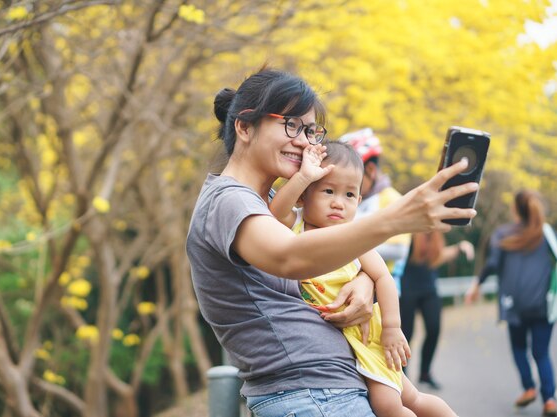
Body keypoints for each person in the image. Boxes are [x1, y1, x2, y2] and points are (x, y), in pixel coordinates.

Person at [186, 67, 478, 417]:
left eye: (309, 130)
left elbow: (323, 253)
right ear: (244, 126)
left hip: (335, 388)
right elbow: (289, 257)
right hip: (310, 396)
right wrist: (397, 218)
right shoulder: (228, 200)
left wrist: (364, 279)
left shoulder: (272, 202)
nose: (304, 141)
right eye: (290, 125)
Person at [269, 140, 457, 417]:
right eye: (328, 191)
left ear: (358, 201)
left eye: (349, 195)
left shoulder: (353, 238)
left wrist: (393, 328)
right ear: (303, 196)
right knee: (410, 397)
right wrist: (304, 176)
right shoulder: (295, 225)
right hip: (343, 343)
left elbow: (384, 277)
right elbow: (275, 212)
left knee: (394, 404)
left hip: (369, 337)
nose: (338, 203)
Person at [465, 189, 557, 416]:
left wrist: (477, 285)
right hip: (543, 303)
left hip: (514, 304)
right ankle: (549, 400)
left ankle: (528, 388)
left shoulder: (503, 234)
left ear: (516, 208)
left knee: (518, 347)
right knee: (541, 352)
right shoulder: (546, 234)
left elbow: (492, 264)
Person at [400, 231, 474, 390]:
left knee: (434, 328)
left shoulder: (436, 235)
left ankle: (425, 373)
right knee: (406, 334)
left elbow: (439, 256)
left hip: (429, 289)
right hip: (408, 288)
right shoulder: (411, 234)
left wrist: (459, 247)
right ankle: (402, 376)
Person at [340, 129, 411, 292]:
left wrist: (343, 243)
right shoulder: (352, 198)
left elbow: (398, 249)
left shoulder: (392, 199)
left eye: (352, 174)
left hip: (383, 292)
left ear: (370, 170)